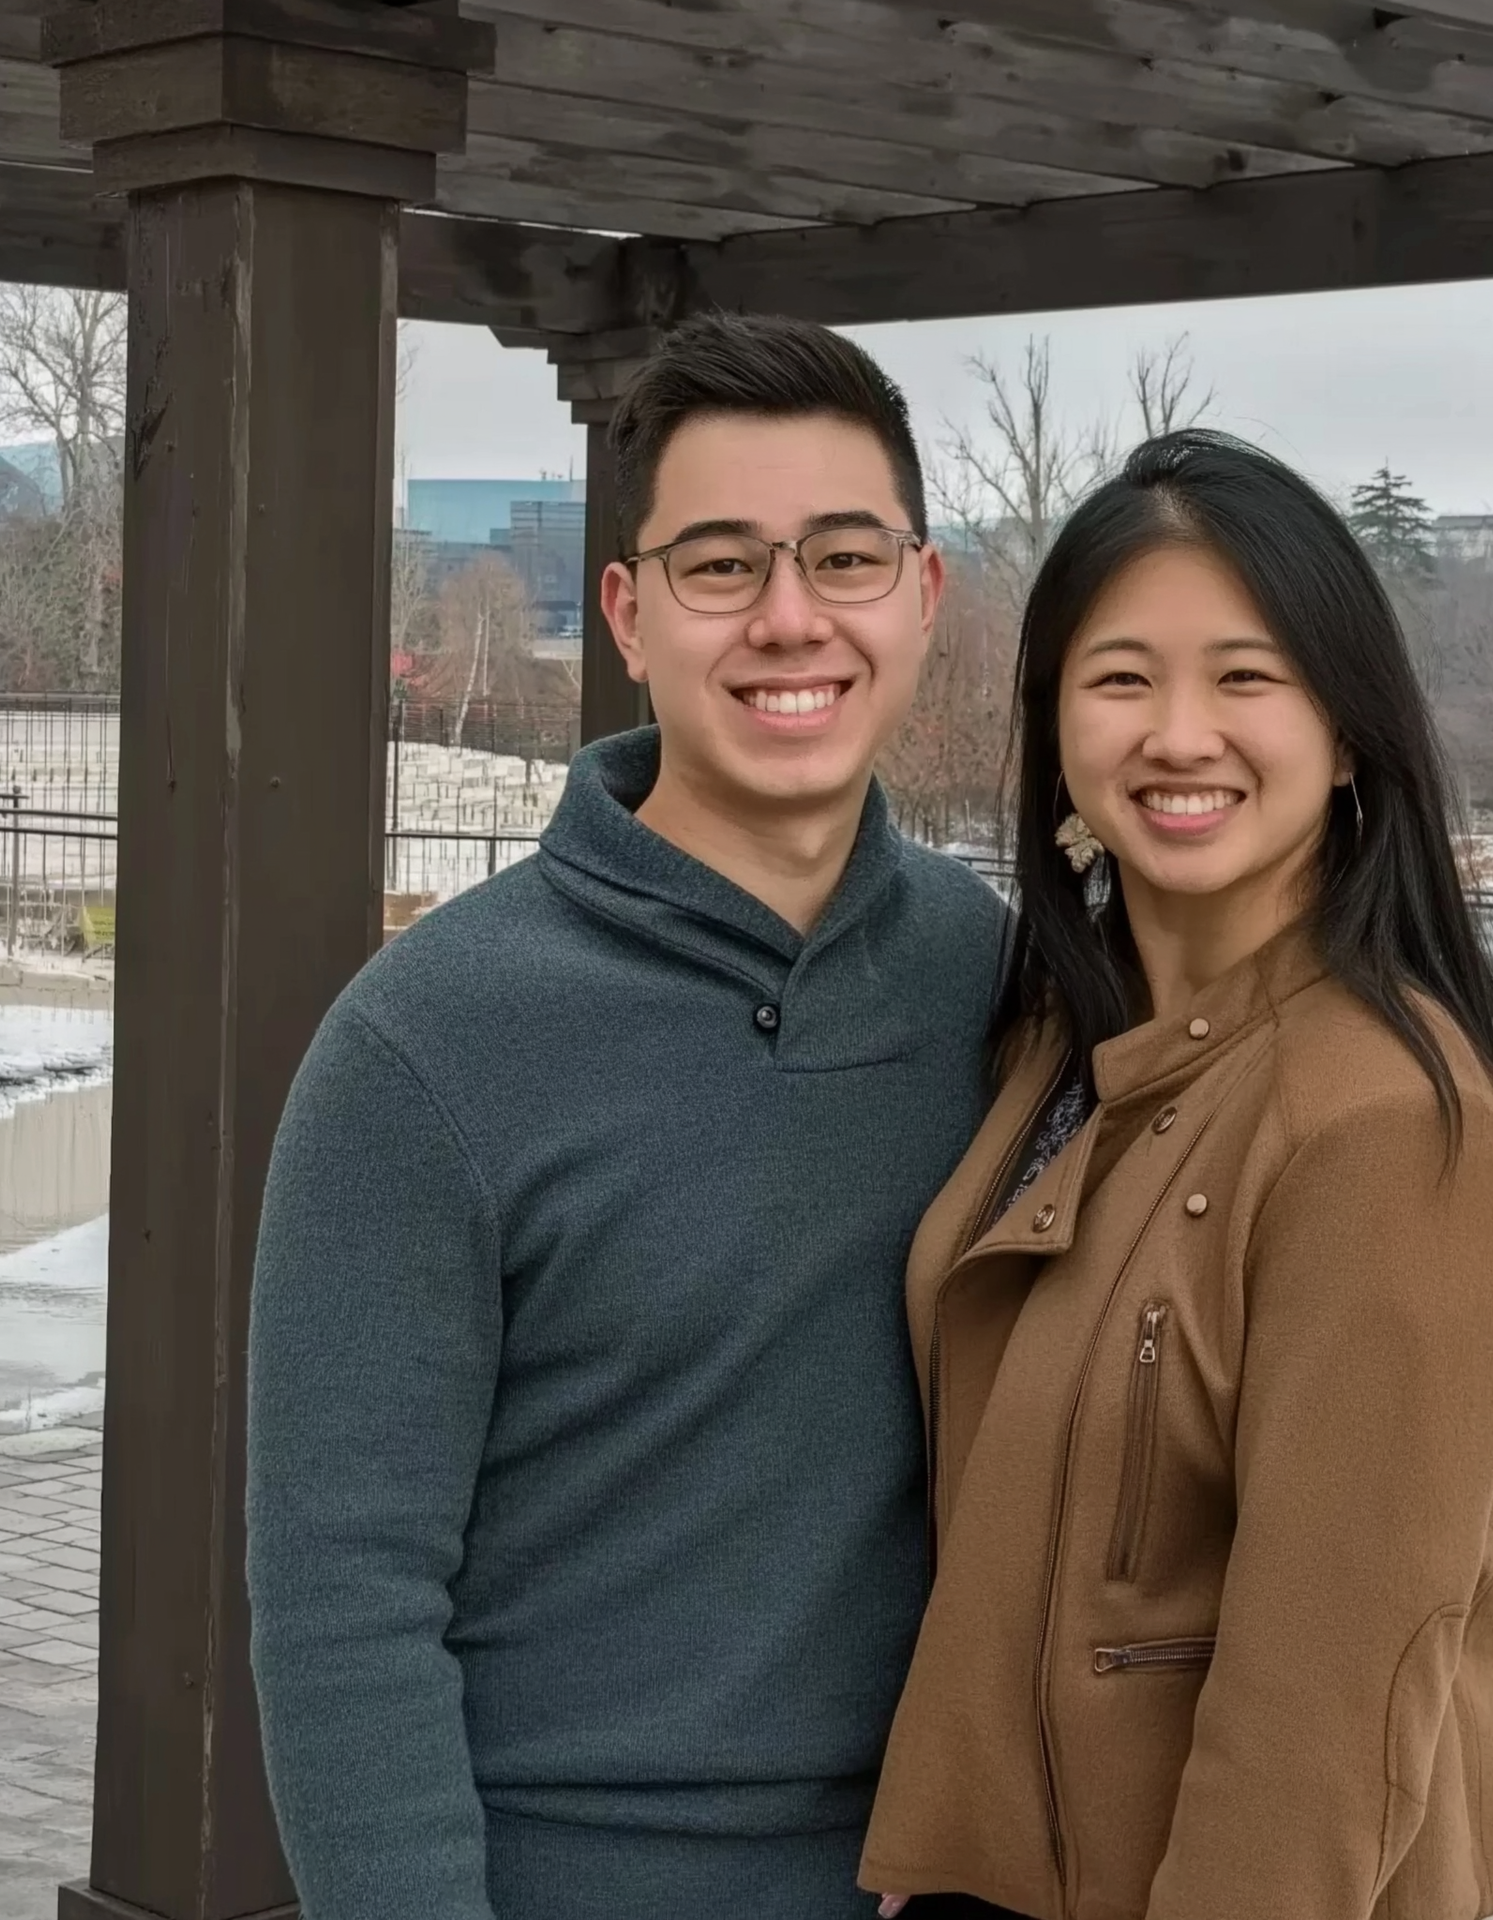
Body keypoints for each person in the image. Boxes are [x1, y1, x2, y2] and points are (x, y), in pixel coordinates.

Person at [246, 313, 1008, 1920]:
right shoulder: (425, 1047)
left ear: (924, 597)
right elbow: (344, 1606)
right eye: (721, 565)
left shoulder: (1000, 985)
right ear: (630, 612)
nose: (791, 619)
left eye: (847, 558)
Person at [863, 430, 1493, 1920]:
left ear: (1349, 729)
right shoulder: (1064, 1038)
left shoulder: (1383, 1125)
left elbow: (1332, 1698)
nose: (1180, 734)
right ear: (1055, 730)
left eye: (1247, 677)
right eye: (1121, 679)